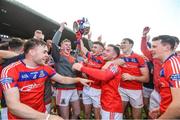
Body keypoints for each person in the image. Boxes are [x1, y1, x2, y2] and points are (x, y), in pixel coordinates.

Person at [0, 39, 92, 120]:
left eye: (47, 52)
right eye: (44, 52)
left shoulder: (45, 68)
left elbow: (63, 79)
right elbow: (13, 106)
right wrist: (47, 117)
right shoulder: (10, 71)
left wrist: (79, 79)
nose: (47, 55)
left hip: (41, 113)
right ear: (32, 52)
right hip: (19, 117)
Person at [73, 44, 123, 120]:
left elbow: (104, 76)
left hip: (111, 105)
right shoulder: (108, 64)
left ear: (114, 56)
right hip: (106, 102)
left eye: (108, 51)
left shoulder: (114, 66)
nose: (104, 52)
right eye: (105, 50)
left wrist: (82, 68)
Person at [51, 22, 81, 119]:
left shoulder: (73, 58)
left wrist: (81, 37)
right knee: (65, 116)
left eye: (69, 45)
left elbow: (78, 49)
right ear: (61, 46)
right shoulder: (58, 56)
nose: (68, 46)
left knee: (77, 112)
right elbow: (54, 43)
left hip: (74, 88)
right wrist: (61, 28)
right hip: (62, 89)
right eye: (66, 44)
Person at [149, 35, 180, 119]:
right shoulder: (167, 63)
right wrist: (161, 109)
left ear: (167, 47)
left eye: (154, 46)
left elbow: (178, 105)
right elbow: (169, 95)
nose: (151, 49)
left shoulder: (173, 64)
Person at [119, 38, 149, 119]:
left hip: (135, 90)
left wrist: (132, 77)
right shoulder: (118, 56)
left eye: (124, 42)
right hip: (121, 89)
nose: (122, 44)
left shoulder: (139, 58)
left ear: (131, 45)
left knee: (136, 117)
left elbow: (146, 79)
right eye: (121, 43)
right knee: (118, 113)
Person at [80, 39, 105, 119]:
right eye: (93, 47)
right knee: (87, 113)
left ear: (101, 50)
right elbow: (83, 48)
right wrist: (80, 38)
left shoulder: (104, 60)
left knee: (97, 114)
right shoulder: (90, 56)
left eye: (95, 47)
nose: (93, 49)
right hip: (87, 87)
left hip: (97, 90)